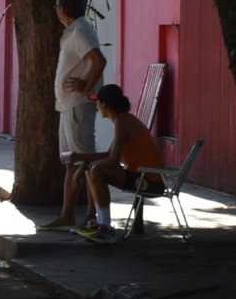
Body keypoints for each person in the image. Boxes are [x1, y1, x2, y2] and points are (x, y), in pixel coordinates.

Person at [48, 83, 165, 242]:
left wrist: (84, 165)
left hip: (150, 181)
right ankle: (100, 223)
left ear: (104, 104)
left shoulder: (122, 122)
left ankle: (106, 228)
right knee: (93, 169)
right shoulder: (123, 120)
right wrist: (80, 159)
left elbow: (113, 160)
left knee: (96, 170)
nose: (97, 106)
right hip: (141, 176)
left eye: (98, 102)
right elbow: (109, 154)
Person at [37, 0, 107, 230]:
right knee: (71, 161)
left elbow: (99, 60)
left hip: (78, 106)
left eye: (57, 5)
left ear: (62, 9)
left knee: (85, 161)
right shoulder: (74, 31)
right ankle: (67, 215)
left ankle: (91, 214)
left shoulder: (80, 30)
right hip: (67, 106)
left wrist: (86, 87)